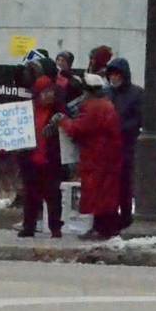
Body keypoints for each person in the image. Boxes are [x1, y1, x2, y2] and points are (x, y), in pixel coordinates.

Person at [57, 73, 124, 240]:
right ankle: (107, 227)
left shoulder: (93, 107)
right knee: (107, 194)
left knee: (96, 194)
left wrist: (63, 121)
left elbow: (77, 129)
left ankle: (100, 228)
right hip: (109, 157)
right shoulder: (107, 105)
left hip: (95, 158)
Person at [20, 77, 64, 238]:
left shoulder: (58, 113)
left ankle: (55, 226)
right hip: (31, 160)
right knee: (30, 195)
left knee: (53, 195)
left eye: (51, 92)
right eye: (45, 92)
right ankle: (29, 226)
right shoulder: (27, 111)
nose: (49, 95)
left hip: (50, 160)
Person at [105, 57, 146, 229]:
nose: (114, 78)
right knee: (109, 186)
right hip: (108, 146)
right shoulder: (107, 93)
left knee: (124, 185)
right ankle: (111, 218)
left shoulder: (136, 93)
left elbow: (140, 119)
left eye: (117, 74)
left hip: (126, 145)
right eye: (111, 75)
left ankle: (126, 217)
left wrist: (120, 127)